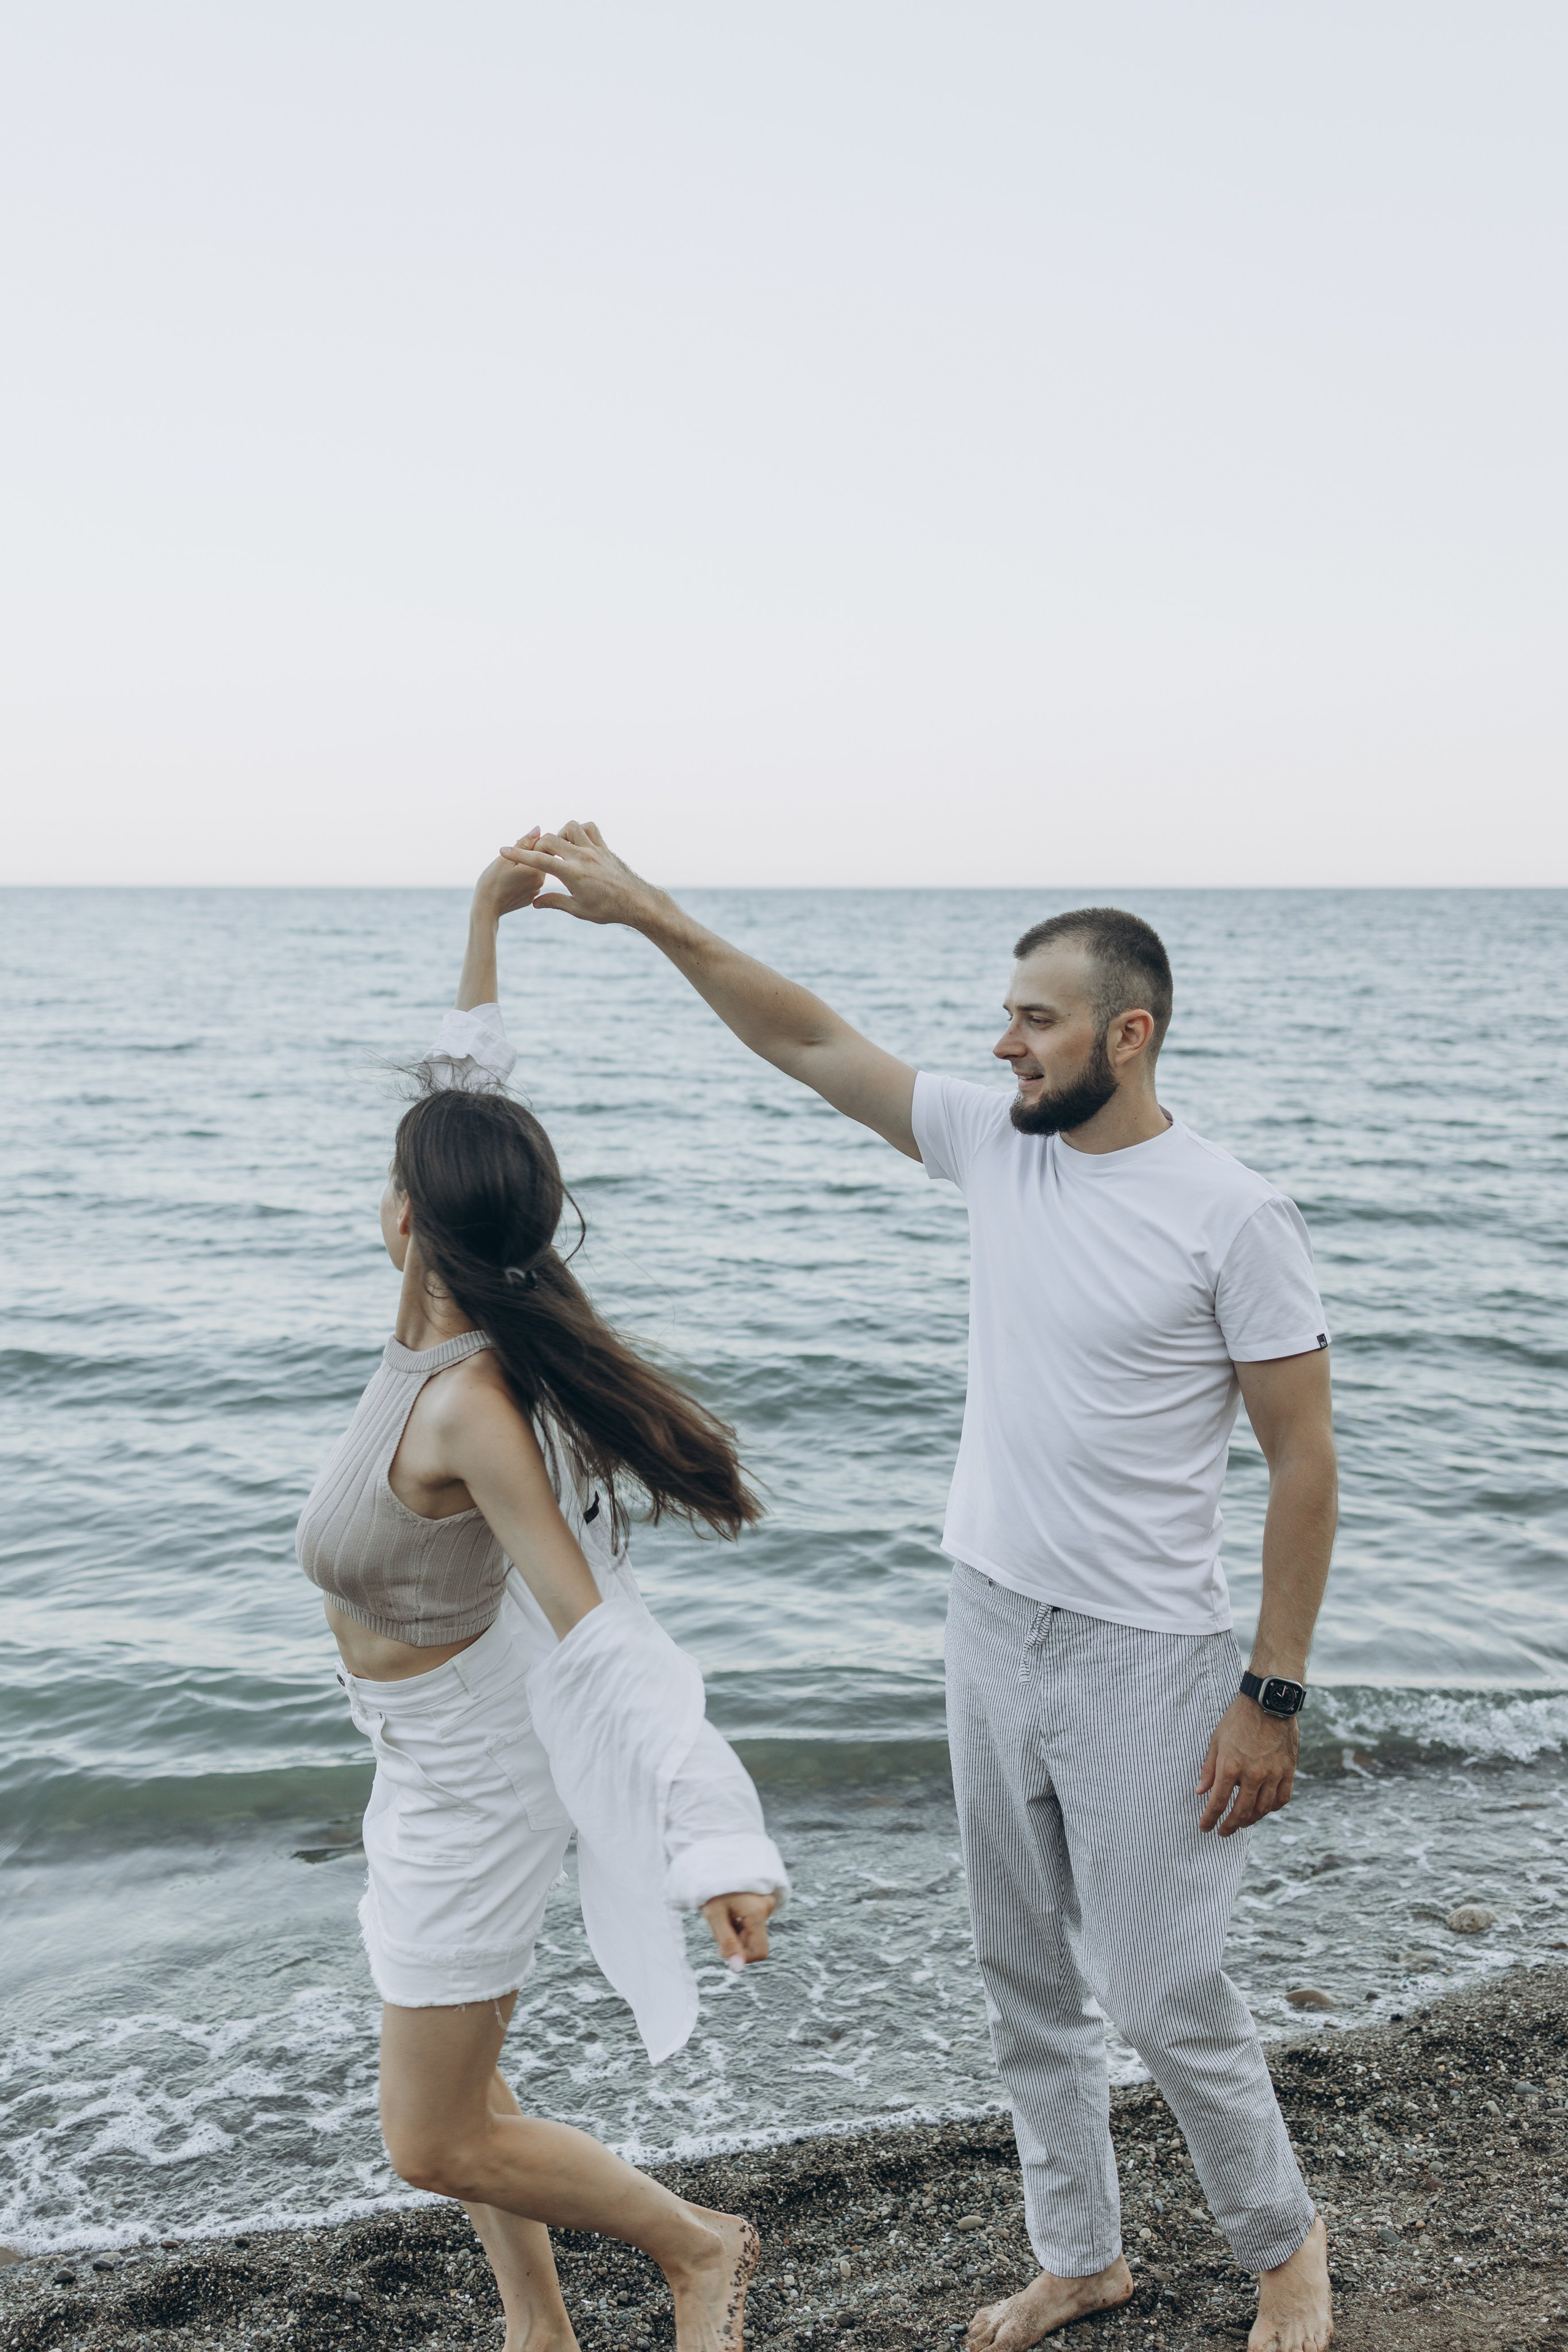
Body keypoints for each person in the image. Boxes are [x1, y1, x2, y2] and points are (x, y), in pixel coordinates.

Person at [499, 823, 1340, 2352]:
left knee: (1162, 1992)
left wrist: (1267, 1692)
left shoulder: (1233, 1213)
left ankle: (1283, 2246)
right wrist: (648, 916)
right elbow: (805, 1038)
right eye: (1005, 1015)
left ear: (1126, 1033)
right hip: (987, 1620)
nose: (1003, 1042)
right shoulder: (995, 1142)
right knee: (1023, 1981)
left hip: (1148, 1652)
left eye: (1035, 1019)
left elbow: (1302, 1463)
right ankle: (1079, 2258)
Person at [295, 839, 788, 2352]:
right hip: (418, 1754)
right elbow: (462, 1095)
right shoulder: (428, 1327)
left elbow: (602, 1634)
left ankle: (697, 2247)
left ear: (406, 1219)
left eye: (393, 1181)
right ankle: (539, 2329)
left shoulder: (470, 1407)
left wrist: (713, 1837)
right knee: (460, 2074)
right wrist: (482, 920)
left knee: (431, 2136)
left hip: (474, 1777)